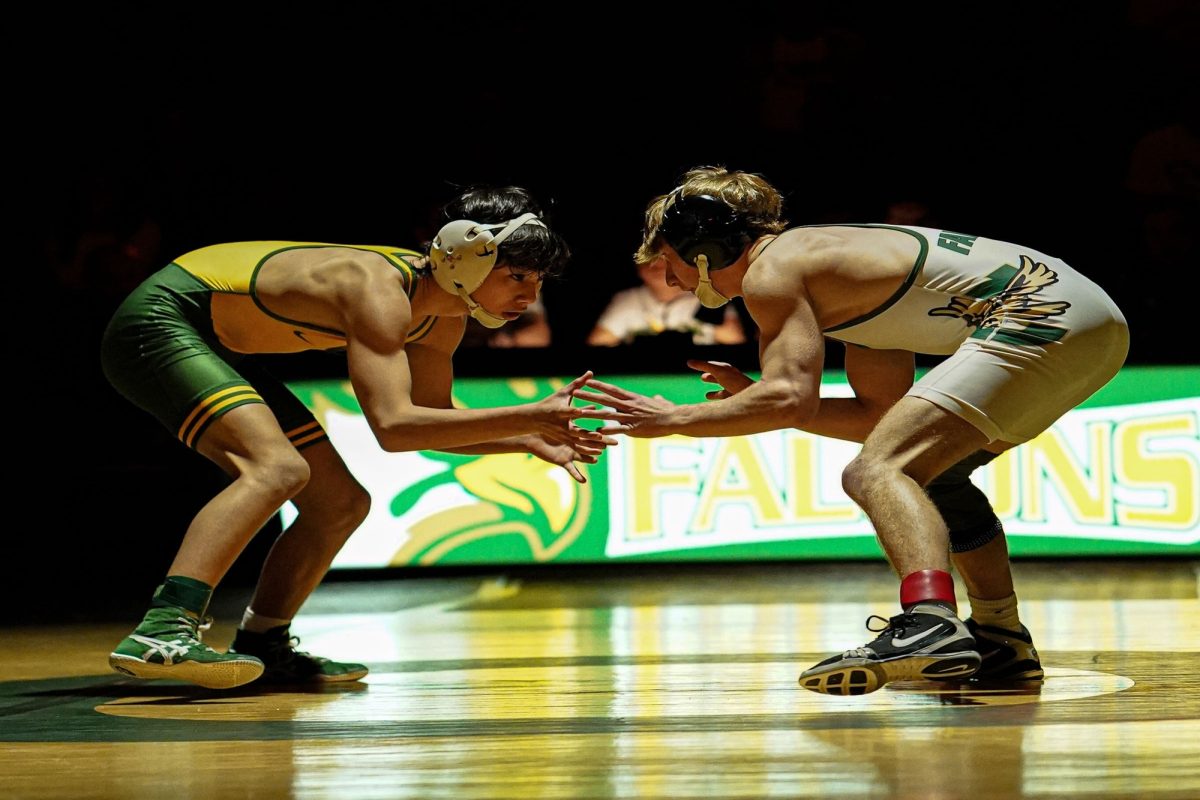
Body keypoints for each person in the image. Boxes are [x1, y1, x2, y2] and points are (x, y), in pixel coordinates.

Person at [578, 167, 1129, 695]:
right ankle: (1001, 637)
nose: (670, 280)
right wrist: (756, 398)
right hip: (1091, 324)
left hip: (1037, 313)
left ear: (705, 248)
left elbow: (790, 399)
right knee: (930, 475)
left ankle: (929, 620)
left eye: (671, 262)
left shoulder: (772, 271)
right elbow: (877, 416)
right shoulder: (837, 274)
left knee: (877, 470)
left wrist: (672, 419)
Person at [101, 186, 618, 689]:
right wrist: (526, 418)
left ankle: (264, 642)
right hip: (159, 323)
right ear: (465, 258)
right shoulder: (375, 288)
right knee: (277, 469)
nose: (529, 296)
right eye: (518, 276)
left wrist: (525, 440)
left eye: (539, 280)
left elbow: (431, 423)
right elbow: (393, 427)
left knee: (340, 503)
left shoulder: (443, 318)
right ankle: (161, 630)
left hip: (216, 345)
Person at [587, 254, 746, 346]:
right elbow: (598, 341)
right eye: (648, 263)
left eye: (663, 263)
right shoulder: (628, 300)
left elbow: (734, 338)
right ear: (638, 270)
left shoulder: (706, 296)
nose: (656, 267)